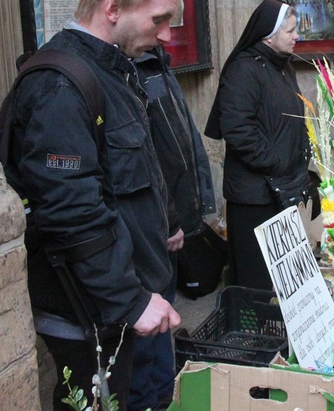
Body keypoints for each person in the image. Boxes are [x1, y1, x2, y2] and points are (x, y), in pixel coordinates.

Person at [0, 0, 184, 410]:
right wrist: (130, 301)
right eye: (159, 19)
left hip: (134, 301)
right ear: (112, 7)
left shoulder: (116, 68)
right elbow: (73, 213)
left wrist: (160, 228)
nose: (167, 34)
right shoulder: (58, 87)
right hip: (99, 316)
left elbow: (123, 175)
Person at [129, 46, 216, 410]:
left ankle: (165, 395)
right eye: (159, 19)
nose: (168, 33)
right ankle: (149, 399)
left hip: (170, 216)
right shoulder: (132, 74)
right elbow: (151, 162)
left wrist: (194, 207)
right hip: (153, 225)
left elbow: (183, 143)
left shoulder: (157, 67)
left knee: (165, 316)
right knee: (146, 331)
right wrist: (170, 221)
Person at [205, 0, 311, 291]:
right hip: (256, 196)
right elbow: (237, 130)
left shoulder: (282, 67)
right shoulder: (243, 70)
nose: (296, 36)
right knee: (259, 280)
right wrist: (277, 162)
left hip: (283, 188)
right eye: (290, 31)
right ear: (269, 34)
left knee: (286, 275)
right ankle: (256, 333)